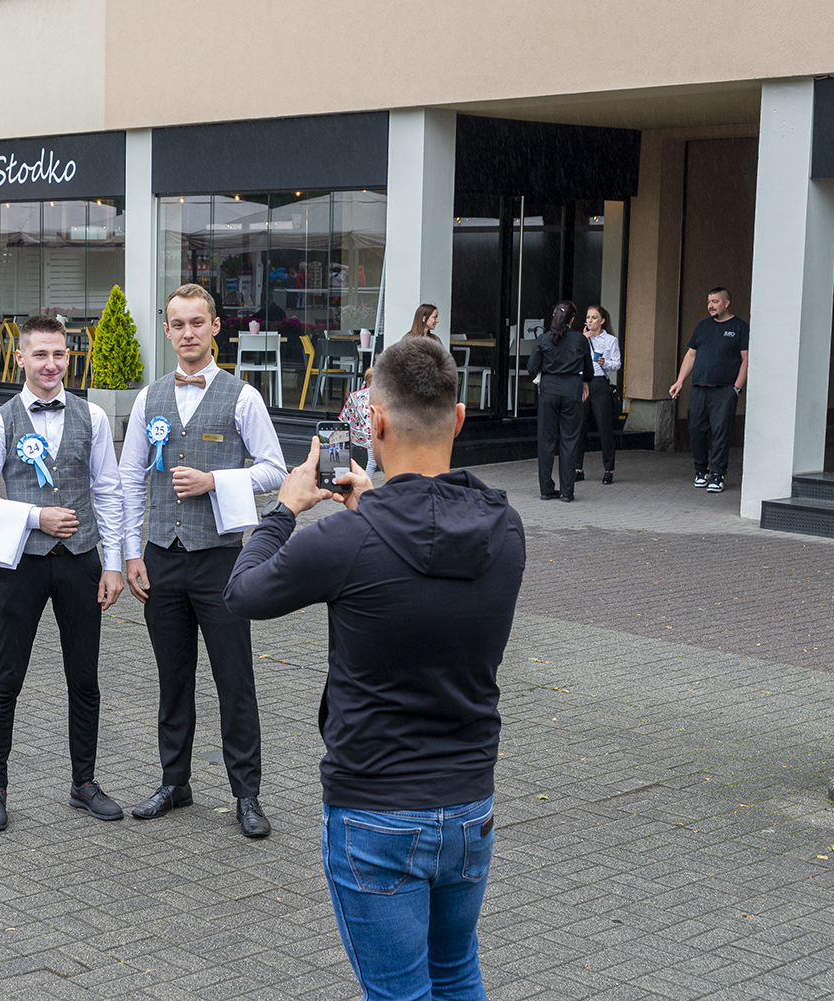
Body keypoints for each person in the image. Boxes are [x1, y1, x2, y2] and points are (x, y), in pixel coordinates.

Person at [223, 335, 526, 1001]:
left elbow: (243, 593)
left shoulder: (349, 540)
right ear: (460, 417)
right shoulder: (506, 528)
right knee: (457, 973)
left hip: (376, 809)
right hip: (469, 803)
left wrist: (286, 509)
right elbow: (425, 568)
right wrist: (372, 509)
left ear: (376, 423)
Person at [120, 283, 288, 839]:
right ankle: (175, 782)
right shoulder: (148, 399)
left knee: (234, 679)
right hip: (161, 558)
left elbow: (275, 470)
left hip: (221, 561)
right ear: (167, 331)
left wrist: (216, 480)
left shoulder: (243, 397)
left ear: (216, 327)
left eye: (198, 322)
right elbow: (129, 479)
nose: (188, 333)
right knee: (172, 678)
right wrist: (130, 553)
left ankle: (246, 794)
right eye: (178, 324)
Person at [0, 315, 127, 832]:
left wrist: (114, 563)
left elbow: (109, 492)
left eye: (59, 354)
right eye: (40, 354)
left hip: (82, 562)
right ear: (20, 358)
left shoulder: (92, 417)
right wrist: (36, 516)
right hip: (24, 564)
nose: (51, 364)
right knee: (6, 678)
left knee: (85, 678)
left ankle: (84, 783)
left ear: (68, 357)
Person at [670, 287, 749, 493]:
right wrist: (679, 381)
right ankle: (701, 471)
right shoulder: (702, 326)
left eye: (715, 301)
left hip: (724, 391)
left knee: (721, 433)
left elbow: (746, 359)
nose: (710, 306)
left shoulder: (740, 327)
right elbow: (691, 355)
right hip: (699, 389)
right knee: (696, 430)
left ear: (726, 303)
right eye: (708, 302)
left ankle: (717, 475)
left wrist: (737, 388)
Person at [527, 300, 592, 502]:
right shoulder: (580, 340)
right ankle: (567, 491)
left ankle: (546, 489)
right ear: (572, 319)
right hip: (572, 390)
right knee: (569, 440)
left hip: (549, 391)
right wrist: (583, 381)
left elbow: (531, 368)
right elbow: (589, 371)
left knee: (546, 440)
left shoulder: (543, 339)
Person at [576, 305, 621, 485]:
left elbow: (617, 364)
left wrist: (605, 362)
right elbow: (573, 360)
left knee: (604, 427)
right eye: (588, 317)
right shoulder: (580, 339)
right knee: (579, 427)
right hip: (582, 383)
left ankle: (609, 470)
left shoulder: (610, 340)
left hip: (599, 383)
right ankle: (578, 468)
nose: (590, 321)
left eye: (594, 318)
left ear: (602, 321)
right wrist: (583, 341)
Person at [339, 365, 377, 475]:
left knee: (372, 463)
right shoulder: (374, 397)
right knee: (373, 463)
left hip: (368, 433)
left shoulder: (361, 398)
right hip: (374, 433)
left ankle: (369, 483)